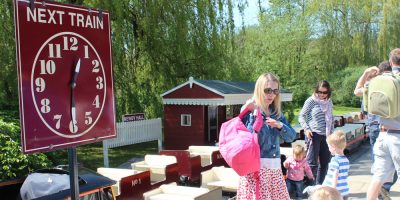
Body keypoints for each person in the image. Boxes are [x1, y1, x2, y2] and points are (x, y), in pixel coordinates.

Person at [236, 72, 296, 200]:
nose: (271, 95)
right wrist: (252, 114)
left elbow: (291, 137)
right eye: (268, 90)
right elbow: (247, 140)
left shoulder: (277, 113)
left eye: (275, 91)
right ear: (259, 89)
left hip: (274, 170)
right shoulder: (249, 110)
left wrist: (279, 125)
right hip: (255, 170)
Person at [354, 60, 395, 200]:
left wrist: (366, 73)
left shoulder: (373, 84)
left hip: (376, 127)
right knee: (392, 166)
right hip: (392, 128)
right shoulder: (395, 83)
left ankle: (381, 188)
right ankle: (384, 188)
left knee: (379, 167)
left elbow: (357, 91)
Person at [367, 48, 400, 200]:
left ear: (390, 61)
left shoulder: (378, 80)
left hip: (382, 134)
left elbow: (360, 91)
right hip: (398, 137)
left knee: (378, 176)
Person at [298, 80, 334, 184]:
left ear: (328, 92)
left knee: (325, 162)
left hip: (326, 136)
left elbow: (331, 118)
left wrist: (331, 134)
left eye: (324, 92)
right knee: (312, 163)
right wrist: (306, 129)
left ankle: (319, 186)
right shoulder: (311, 101)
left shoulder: (329, 102)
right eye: (319, 92)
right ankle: (310, 188)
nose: (321, 95)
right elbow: (301, 116)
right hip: (314, 134)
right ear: (316, 90)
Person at [322, 130, 349, 199]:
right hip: (344, 191)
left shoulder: (335, 160)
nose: (328, 149)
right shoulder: (346, 160)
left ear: (333, 147)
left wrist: (333, 190)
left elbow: (335, 175)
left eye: (329, 147)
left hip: (334, 191)